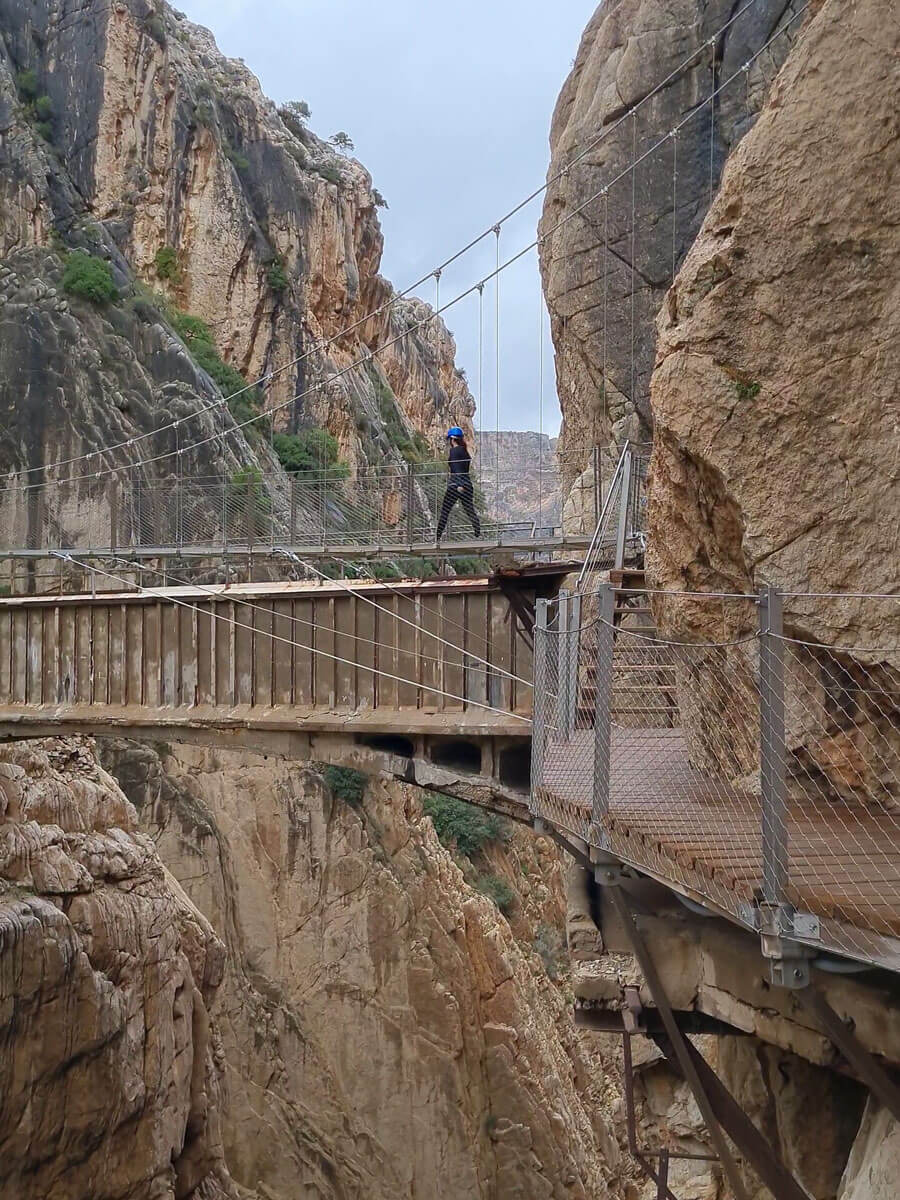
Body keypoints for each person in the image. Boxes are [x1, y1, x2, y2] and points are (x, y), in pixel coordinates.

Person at [435, 427, 481, 540]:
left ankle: (437, 537)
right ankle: (477, 532)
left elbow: (456, 468)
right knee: (469, 509)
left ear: (452, 439)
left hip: (455, 485)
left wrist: (459, 485)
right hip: (467, 484)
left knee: (445, 511)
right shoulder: (465, 452)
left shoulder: (454, 451)